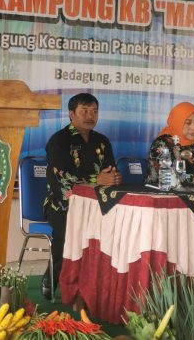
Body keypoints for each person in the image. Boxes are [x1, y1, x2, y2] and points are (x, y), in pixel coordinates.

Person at [42, 93, 121, 299]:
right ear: (71, 114)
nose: (90, 116)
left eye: (94, 111)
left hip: (96, 205)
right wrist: (98, 179)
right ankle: (52, 278)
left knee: (115, 229)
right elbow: (62, 176)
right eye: (84, 111)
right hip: (62, 204)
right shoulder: (59, 140)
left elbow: (109, 170)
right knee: (68, 233)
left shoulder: (102, 141)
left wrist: (112, 178)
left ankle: (98, 287)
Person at [150, 101, 194, 176]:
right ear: (177, 122)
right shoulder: (162, 143)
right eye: (188, 123)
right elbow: (165, 175)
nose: (193, 127)